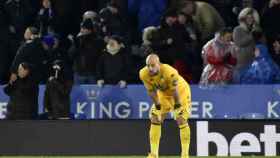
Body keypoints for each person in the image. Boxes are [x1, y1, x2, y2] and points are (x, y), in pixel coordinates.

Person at [139, 54, 191, 158]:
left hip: (181, 92)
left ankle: (185, 154)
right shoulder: (143, 73)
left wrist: (177, 106)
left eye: (153, 65)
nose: (150, 68)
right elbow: (151, 91)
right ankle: (154, 154)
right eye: (148, 65)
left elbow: (174, 91)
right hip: (163, 94)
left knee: (181, 119)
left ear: (159, 64)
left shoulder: (169, 72)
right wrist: (157, 106)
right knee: (155, 117)